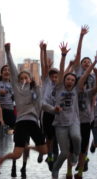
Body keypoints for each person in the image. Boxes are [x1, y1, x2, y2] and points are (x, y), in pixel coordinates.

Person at [0, 43, 48, 174]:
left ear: (30, 78)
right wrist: (7, 51)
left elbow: (41, 103)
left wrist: (53, 110)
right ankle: (0, 160)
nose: (23, 79)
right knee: (17, 154)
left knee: (44, 150)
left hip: (33, 122)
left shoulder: (36, 89)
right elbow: (12, 68)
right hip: (22, 122)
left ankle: (28, 148)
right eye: (21, 78)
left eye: (25, 77)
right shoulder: (17, 89)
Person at [49, 42, 82, 179]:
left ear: (75, 82)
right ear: (64, 81)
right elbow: (62, 71)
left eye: (72, 80)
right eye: (68, 79)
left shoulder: (76, 90)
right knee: (63, 152)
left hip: (73, 121)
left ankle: (75, 155)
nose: (69, 81)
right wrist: (63, 56)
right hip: (60, 123)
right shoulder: (60, 86)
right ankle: (56, 168)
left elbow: (83, 73)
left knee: (77, 137)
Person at [71, 53, 97, 179]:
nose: (87, 63)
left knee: (84, 146)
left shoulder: (92, 79)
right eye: (84, 61)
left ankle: (80, 173)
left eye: (89, 62)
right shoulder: (77, 76)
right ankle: (75, 164)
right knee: (75, 143)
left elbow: (95, 92)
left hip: (87, 117)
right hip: (75, 119)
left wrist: (93, 109)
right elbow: (81, 81)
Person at [39, 40, 59, 171]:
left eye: (56, 76)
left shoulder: (61, 85)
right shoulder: (46, 82)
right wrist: (43, 51)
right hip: (47, 113)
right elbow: (44, 66)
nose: (54, 78)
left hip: (57, 113)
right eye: (52, 76)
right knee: (48, 136)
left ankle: (51, 154)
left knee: (56, 136)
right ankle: (48, 153)